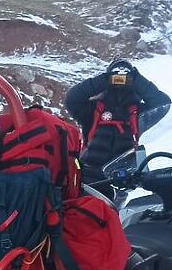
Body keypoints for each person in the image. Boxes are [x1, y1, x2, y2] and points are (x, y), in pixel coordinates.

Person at [65, 58, 170, 197]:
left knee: (116, 216)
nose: (120, 81)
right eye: (116, 77)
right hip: (89, 174)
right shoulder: (93, 109)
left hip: (122, 179)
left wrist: (137, 79)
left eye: (125, 78)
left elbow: (163, 103)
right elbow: (72, 98)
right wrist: (103, 80)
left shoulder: (138, 113)